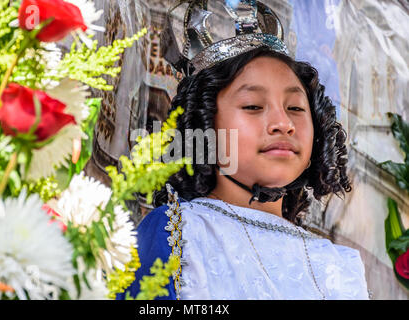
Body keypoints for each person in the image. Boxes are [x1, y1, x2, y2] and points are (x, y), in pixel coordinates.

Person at [118, 0, 370, 300]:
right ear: (205, 124)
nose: (283, 123)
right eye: (253, 106)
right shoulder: (180, 231)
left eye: (295, 107)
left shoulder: (340, 266)